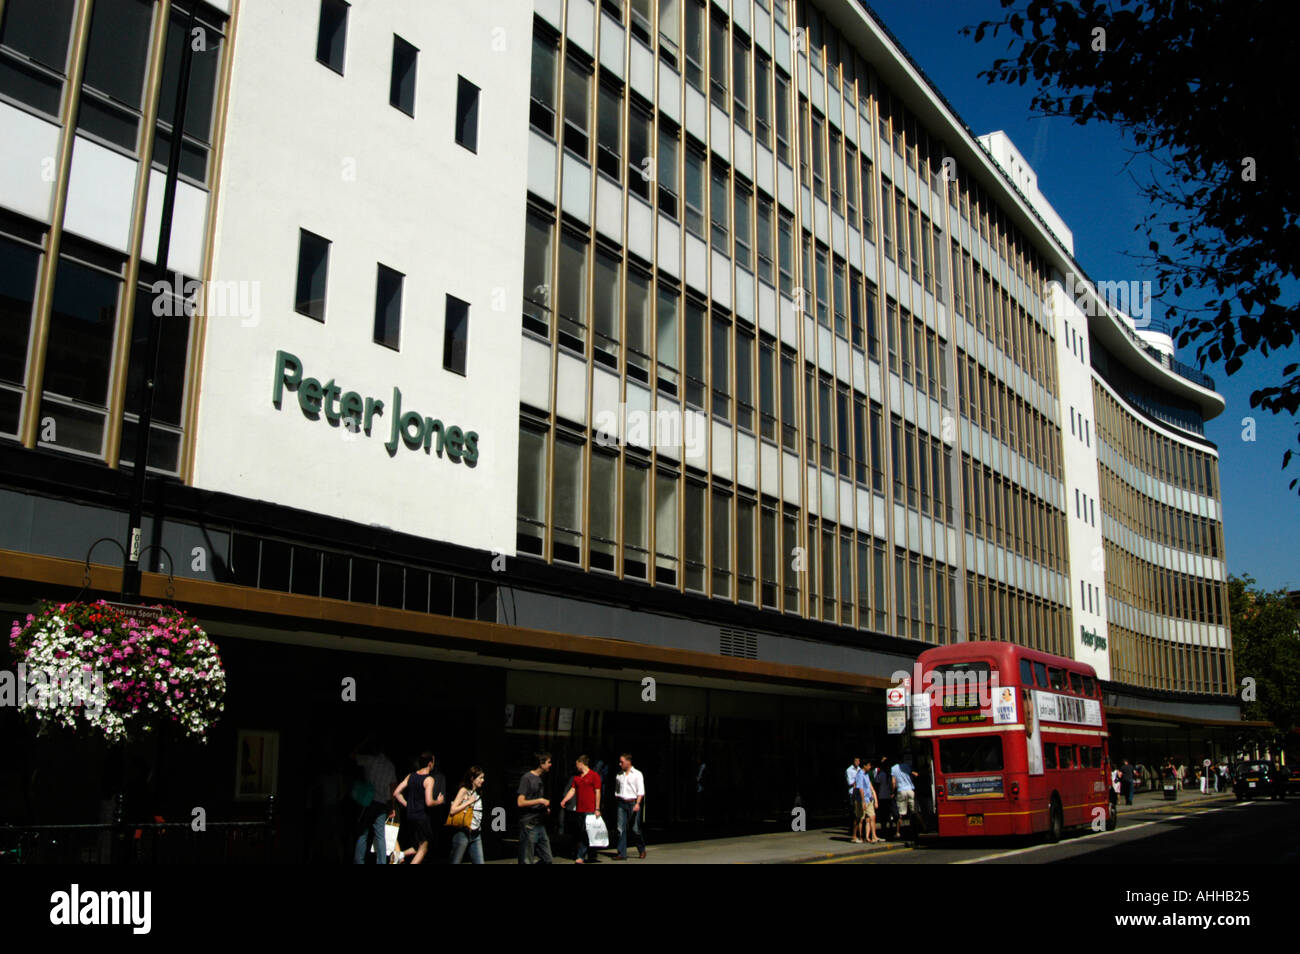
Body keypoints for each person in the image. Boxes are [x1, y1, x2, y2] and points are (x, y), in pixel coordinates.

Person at [352, 739, 397, 864]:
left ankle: (359, 861)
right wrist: (392, 806)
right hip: (382, 803)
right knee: (380, 835)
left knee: (363, 833)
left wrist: (362, 742)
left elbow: (353, 757)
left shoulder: (370, 760)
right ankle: (381, 862)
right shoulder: (390, 766)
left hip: (368, 801)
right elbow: (392, 786)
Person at [392, 751, 441, 864]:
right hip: (421, 816)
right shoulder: (429, 779)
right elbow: (429, 802)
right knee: (423, 848)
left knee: (417, 845)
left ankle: (400, 855)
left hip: (410, 816)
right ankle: (400, 856)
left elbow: (396, 793)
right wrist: (438, 801)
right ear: (430, 763)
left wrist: (408, 806)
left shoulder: (411, 776)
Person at [559, 754, 602, 863]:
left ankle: (581, 856)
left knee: (586, 833)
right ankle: (592, 854)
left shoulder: (594, 776)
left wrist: (597, 808)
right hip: (579, 809)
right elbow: (572, 790)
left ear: (582, 763)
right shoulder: (577, 777)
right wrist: (565, 800)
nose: (576, 767)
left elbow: (598, 792)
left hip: (590, 810)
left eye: (577, 764)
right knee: (585, 832)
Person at [517, 751, 553, 864]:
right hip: (529, 823)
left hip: (539, 822)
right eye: (548, 762)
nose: (550, 764)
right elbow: (520, 802)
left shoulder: (541, 778)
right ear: (541, 764)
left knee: (548, 859)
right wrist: (540, 800)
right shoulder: (527, 778)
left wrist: (543, 808)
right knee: (527, 859)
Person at [448, 767, 486, 864]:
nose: (483, 780)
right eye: (480, 778)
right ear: (472, 778)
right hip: (463, 833)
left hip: (476, 834)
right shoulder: (464, 790)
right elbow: (452, 810)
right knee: (455, 861)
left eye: (483, 778)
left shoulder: (478, 792)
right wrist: (468, 802)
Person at [614, 752, 646, 860]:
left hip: (633, 803)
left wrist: (637, 803)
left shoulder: (637, 774)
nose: (620, 764)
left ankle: (641, 849)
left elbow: (641, 791)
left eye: (622, 762)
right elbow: (617, 790)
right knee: (620, 828)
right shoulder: (619, 775)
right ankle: (621, 853)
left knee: (635, 829)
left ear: (628, 762)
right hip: (621, 803)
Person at [891, 757, 916, 840]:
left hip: (901, 790)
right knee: (914, 811)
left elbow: (893, 782)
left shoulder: (893, 768)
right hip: (910, 789)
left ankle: (898, 832)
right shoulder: (907, 766)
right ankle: (923, 827)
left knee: (901, 814)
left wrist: (892, 792)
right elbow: (914, 774)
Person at [873, 758, 895, 839]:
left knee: (883, 815)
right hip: (888, 796)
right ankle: (890, 829)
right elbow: (893, 783)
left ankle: (884, 830)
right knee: (888, 814)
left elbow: (876, 784)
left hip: (882, 797)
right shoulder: (890, 774)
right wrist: (892, 792)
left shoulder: (881, 774)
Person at [845, 756, 862, 838]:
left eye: (859, 761)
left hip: (859, 792)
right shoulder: (849, 770)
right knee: (853, 812)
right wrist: (857, 781)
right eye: (856, 761)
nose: (858, 762)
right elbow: (850, 782)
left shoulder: (860, 769)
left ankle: (859, 831)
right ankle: (852, 829)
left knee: (859, 813)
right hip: (852, 793)